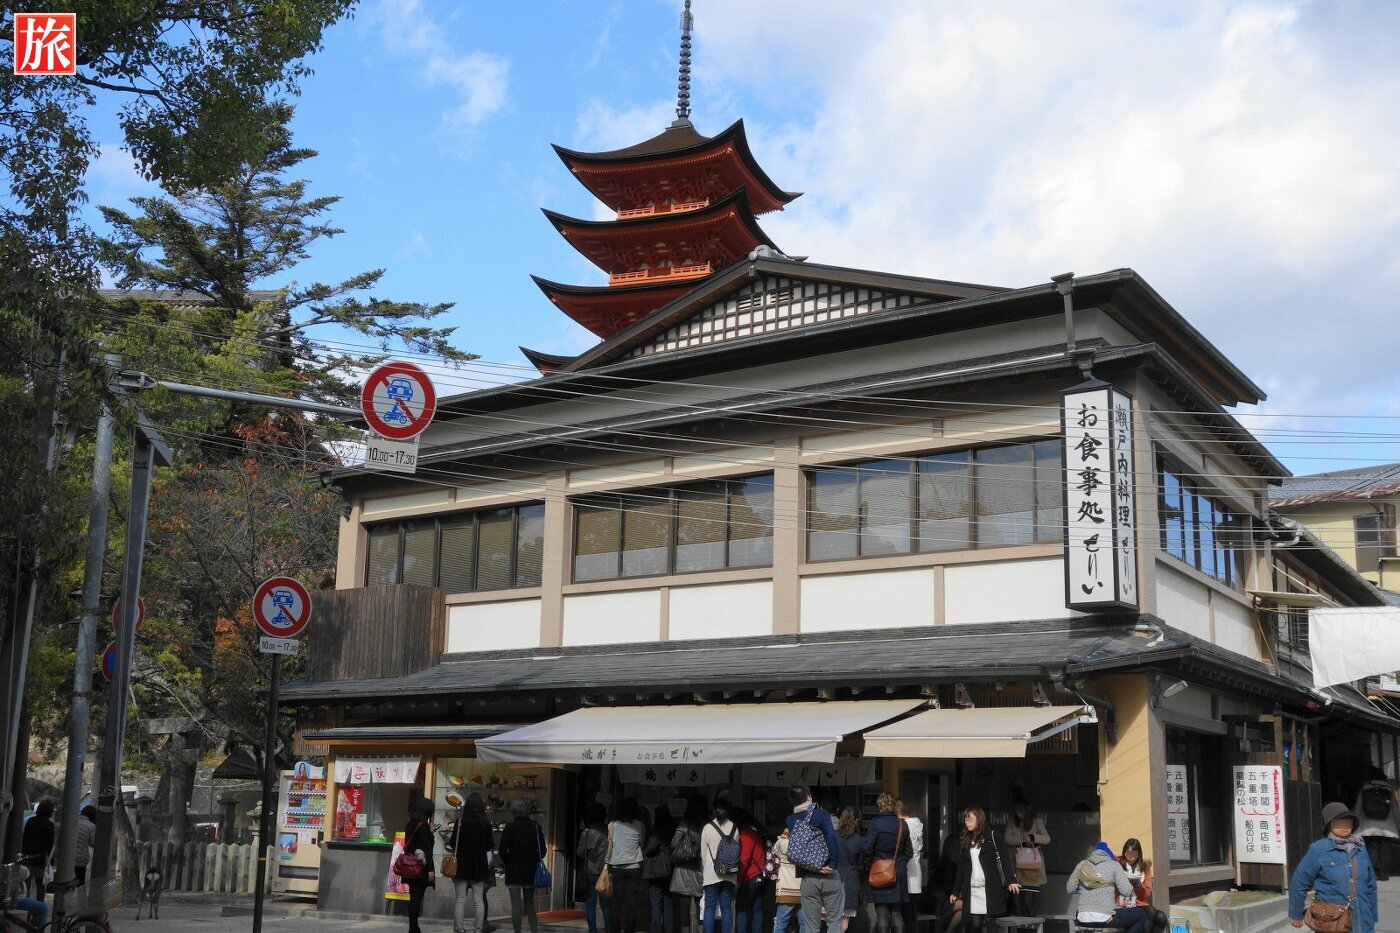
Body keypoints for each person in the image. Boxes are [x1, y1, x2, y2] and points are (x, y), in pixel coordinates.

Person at [1289, 802, 1378, 933]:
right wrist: (1296, 913)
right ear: (1329, 825)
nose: (1344, 827)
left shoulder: (1360, 848)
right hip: (1331, 922)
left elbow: (1371, 885)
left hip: (1363, 921)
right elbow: (1299, 882)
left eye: (1347, 822)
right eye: (1339, 823)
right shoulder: (1318, 850)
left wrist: (1372, 914)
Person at [951, 807, 1020, 933]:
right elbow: (962, 867)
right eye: (965, 819)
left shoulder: (992, 836)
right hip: (973, 889)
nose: (967, 822)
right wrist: (956, 891)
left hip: (990, 888)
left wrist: (1011, 880)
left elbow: (1004, 858)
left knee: (990, 920)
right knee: (975, 923)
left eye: (970, 819)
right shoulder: (966, 839)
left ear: (979, 819)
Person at [785, 784, 843, 933]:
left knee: (811, 926)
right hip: (829, 874)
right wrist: (833, 864)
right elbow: (831, 837)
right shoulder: (821, 814)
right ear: (809, 797)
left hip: (808, 877)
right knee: (834, 923)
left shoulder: (790, 820)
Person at [1064, 842, 1145, 933]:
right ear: (1109, 854)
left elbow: (1069, 888)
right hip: (1105, 918)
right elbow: (1127, 891)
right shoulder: (1114, 865)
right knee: (1141, 915)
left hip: (1082, 918)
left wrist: (1085, 887)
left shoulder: (1081, 865)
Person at [864, 794, 913, 933]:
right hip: (899, 871)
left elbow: (867, 848)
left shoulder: (876, 823)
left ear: (880, 806)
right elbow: (909, 852)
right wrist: (899, 863)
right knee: (897, 912)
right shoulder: (902, 824)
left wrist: (870, 865)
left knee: (882, 912)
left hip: (880, 871)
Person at [499, 798, 546, 933]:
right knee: (530, 905)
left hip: (513, 870)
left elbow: (502, 851)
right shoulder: (535, 827)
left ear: (514, 812)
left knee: (516, 906)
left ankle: (517, 931)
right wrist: (534, 859)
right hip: (530, 870)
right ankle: (534, 931)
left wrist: (508, 862)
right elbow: (543, 851)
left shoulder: (509, 827)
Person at [454, 793, 495, 933]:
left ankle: (459, 928)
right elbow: (490, 845)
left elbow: (453, 843)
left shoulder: (460, 822)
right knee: (478, 901)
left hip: (462, 865)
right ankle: (478, 929)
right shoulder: (485, 823)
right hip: (479, 865)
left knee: (460, 899)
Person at [1003, 796, 1048, 917]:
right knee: (1016, 902)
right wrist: (1022, 840)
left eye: (1022, 810)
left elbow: (1046, 838)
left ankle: (1032, 926)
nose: (1019, 813)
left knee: (1028, 901)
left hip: (1031, 866)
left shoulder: (1037, 821)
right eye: (1017, 810)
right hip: (1015, 864)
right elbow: (1006, 838)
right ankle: (1019, 926)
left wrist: (1032, 838)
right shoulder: (1012, 821)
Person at [609, 797, 649, 933]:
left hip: (617, 867)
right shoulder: (640, 826)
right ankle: (629, 930)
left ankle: (615, 930)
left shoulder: (612, 825)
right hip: (634, 867)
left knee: (616, 902)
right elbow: (641, 844)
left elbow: (611, 844)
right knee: (631, 902)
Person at [701, 798, 739, 933]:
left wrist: (707, 870)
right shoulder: (734, 828)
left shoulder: (707, 828)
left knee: (710, 907)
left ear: (713, 811)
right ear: (728, 811)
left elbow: (703, 854)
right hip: (729, 874)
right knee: (726, 908)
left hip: (712, 874)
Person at [1354, 770, 1398, 882]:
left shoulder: (1365, 789)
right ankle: (1384, 874)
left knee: (1371, 848)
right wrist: (1398, 824)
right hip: (1387, 826)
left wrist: (1355, 822)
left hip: (1368, 825)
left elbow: (1358, 807)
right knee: (1385, 849)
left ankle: (1373, 872)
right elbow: (1395, 808)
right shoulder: (1389, 790)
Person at [403, 797, 438, 933]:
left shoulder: (409, 824)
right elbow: (427, 849)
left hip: (409, 866)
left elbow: (411, 845)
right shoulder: (423, 826)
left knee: (413, 897)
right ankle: (413, 928)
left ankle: (414, 928)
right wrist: (430, 870)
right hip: (420, 867)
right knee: (416, 899)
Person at [671, 796, 706, 933]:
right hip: (699, 867)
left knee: (684, 904)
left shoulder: (684, 824)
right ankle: (700, 930)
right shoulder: (706, 824)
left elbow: (674, 843)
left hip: (683, 869)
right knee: (700, 903)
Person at [579, 803, 614, 933]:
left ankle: (592, 930)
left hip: (590, 871)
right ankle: (608, 930)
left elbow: (579, 852)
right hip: (605, 872)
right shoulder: (609, 831)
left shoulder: (586, 833)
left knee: (590, 904)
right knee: (606, 905)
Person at [1118, 839, 1166, 933]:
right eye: (1128, 853)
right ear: (1124, 853)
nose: (1130, 856)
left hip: (1138, 904)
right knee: (1151, 912)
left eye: (1133, 853)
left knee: (1161, 917)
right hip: (1122, 904)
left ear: (1139, 854)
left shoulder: (1144, 868)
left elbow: (1146, 895)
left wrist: (1138, 885)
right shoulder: (1118, 865)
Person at [734, 808, 768, 933]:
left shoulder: (745, 835)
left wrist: (738, 880)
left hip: (751, 876)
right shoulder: (755, 832)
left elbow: (744, 859)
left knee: (741, 908)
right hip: (760, 875)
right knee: (757, 908)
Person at [895, 799, 924, 933]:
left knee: (901, 914)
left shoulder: (903, 826)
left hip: (904, 873)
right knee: (911, 914)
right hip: (915, 874)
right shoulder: (917, 824)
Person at [647, 806, 677, 933]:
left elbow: (651, 846)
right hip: (670, 869)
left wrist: (644, 852)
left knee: (656, 902)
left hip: (657, 871)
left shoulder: (657, 831)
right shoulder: (673, 829)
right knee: (668, 902)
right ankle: (668, 929)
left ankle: (657, 930)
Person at [836, 805, 864, 933]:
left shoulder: (832, 837)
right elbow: (861, 865)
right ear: (856, 820)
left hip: (832, 881)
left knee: (832, 923)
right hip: (850, 882)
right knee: (844, 924)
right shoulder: (858, 840)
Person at [771, 827, 805, 933]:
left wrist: (785, 833)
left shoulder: (782, 842)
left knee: (781, 923)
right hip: (802, 889)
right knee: (804, 923)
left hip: (786, 890)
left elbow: (775, 848)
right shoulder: (804, 845)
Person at [20, 798, 55, 897]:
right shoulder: (49, 824)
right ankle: (39, 904)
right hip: (40, 858)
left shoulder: (30, 821)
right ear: (50, 811)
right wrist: (51, 861)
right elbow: (50, 844)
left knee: (26, 883)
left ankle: (26, 902)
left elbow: (25, 838)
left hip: (28, 856)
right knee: (40, 885)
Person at [73, 805, 97, 884]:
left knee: (67, 882)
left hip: (67, 858)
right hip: (80, 859)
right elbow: (93, 843)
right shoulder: (91, 826)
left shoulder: (72, 821)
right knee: (80, 883)